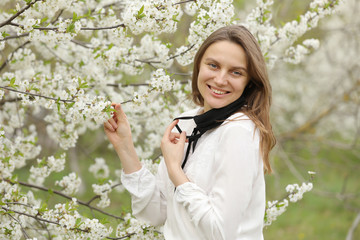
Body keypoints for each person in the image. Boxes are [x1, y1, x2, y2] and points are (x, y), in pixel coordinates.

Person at [104, 25, 276, 240]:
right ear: (199, 66)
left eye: (236, 72)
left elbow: (220, 233)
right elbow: (154, 215)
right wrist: (125, 146)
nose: (221, 79)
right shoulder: (186, 123)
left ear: (249, 82)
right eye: (213, 65)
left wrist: (176, 171)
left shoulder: (239, 132)